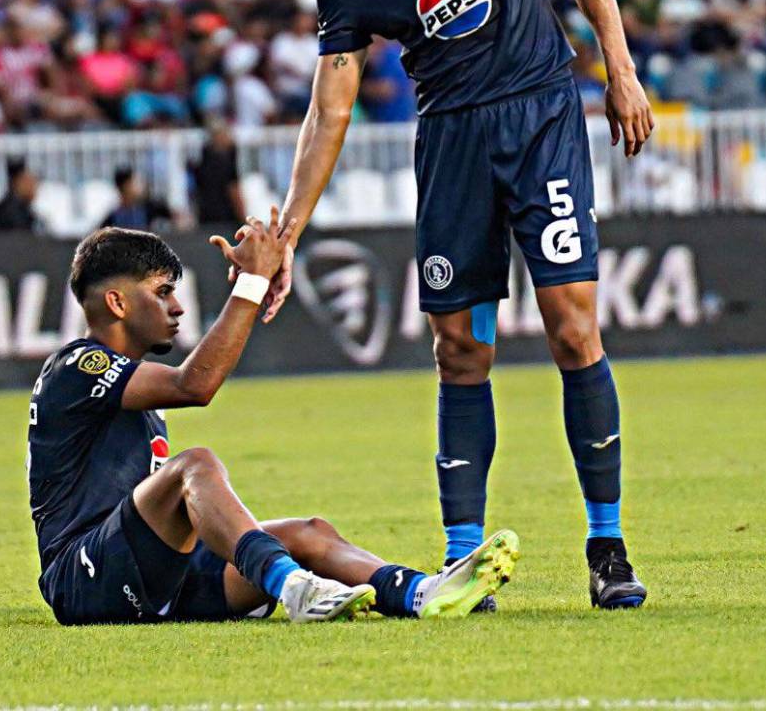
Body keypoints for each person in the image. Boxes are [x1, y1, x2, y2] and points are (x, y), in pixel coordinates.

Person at [268, 0, 654, 609]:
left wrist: (619, 71)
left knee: (573, 328)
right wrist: (289, 231)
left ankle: (608, 546)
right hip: (452, 145)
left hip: (540, 118)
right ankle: (463, 561)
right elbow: (330, 108)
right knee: (459, 350)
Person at [28, 220, 520, 625]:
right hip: (84, 577)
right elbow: (195, 385)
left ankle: (419, 592)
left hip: (150, 572)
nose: (177, 306)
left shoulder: (127, 384)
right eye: (162, 292)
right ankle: (293, 587)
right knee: (193, 466)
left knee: (308, 534)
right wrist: (252, 283)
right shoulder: (77, 366)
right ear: (117, 303)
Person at [100, 165, 173, 231]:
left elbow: (174, 217)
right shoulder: (113, 218)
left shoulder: (149, 208)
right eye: (135, 182)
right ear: (125, 186)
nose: (139, 186)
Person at [0, 157, 40, 233]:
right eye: (30, 183)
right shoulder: (12, 211)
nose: (35, 188)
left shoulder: (11, 206)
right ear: (18, 182)